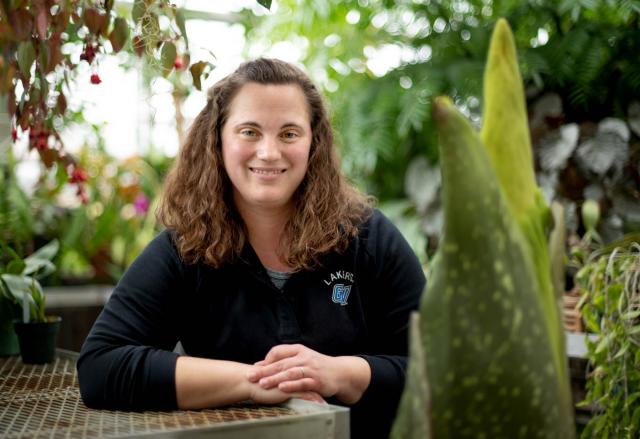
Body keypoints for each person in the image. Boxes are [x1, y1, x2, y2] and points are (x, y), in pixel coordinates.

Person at [77, 58, 426, 439]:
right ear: (218, 139)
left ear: (314, 142)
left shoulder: (369, 239)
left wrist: (339, 372)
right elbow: (100, 366)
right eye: (249, 131)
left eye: (289, 134)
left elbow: (440, 367)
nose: (269, 152)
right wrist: (255, 382)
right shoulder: (186, 248)